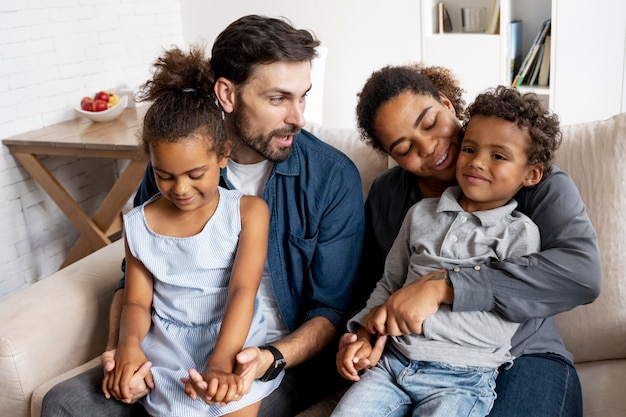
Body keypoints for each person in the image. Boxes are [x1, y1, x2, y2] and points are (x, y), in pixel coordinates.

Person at [42, 15, 364, 417]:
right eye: (279, 99)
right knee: (63, 404)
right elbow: (135, 279)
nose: (298, 117)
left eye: (302, 97)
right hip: (170, 348)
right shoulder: (177, 168)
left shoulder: (332, 177)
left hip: (273, 356)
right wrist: (121, 352)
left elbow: (331, 311)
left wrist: (266, 359)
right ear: (227, 94)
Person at [346, 64, 601, 417]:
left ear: (447, 104)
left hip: (524, 355)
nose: (431, 148)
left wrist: (443, 285)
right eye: (405, 148)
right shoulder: (391, 195)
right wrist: (364, 334)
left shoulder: (536, 182)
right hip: (408, 357)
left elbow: (581, 274)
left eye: (431, 123)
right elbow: (378, 281)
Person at [106, 44, 282, 417]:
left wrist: (220, 363)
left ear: (223, 156)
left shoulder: (249, 212)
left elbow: (242, 291)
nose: (181, 189)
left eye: (195, 174)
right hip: (167, 344)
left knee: (231, 402)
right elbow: (137, 301)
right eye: (164, 175)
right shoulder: (137, 224)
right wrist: (128, 346)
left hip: (232, 337)